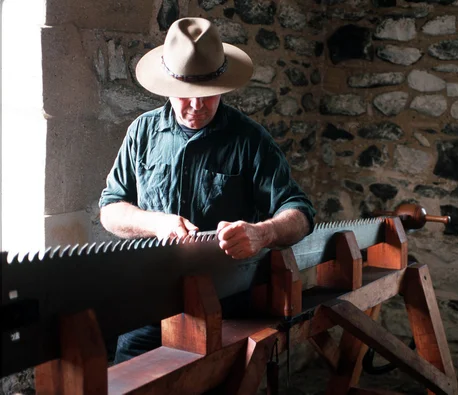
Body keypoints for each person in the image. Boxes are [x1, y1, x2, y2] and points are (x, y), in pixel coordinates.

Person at [99, 17, 316, 363]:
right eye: (185, 95)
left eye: (207, 96)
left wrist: (263, 232)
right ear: (167, 85)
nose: (196, 106)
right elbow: (111, 209)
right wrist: (157, 224)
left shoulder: (249, 140)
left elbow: (301, 213)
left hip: (227, 308)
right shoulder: (142, 133)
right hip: (149, 306)